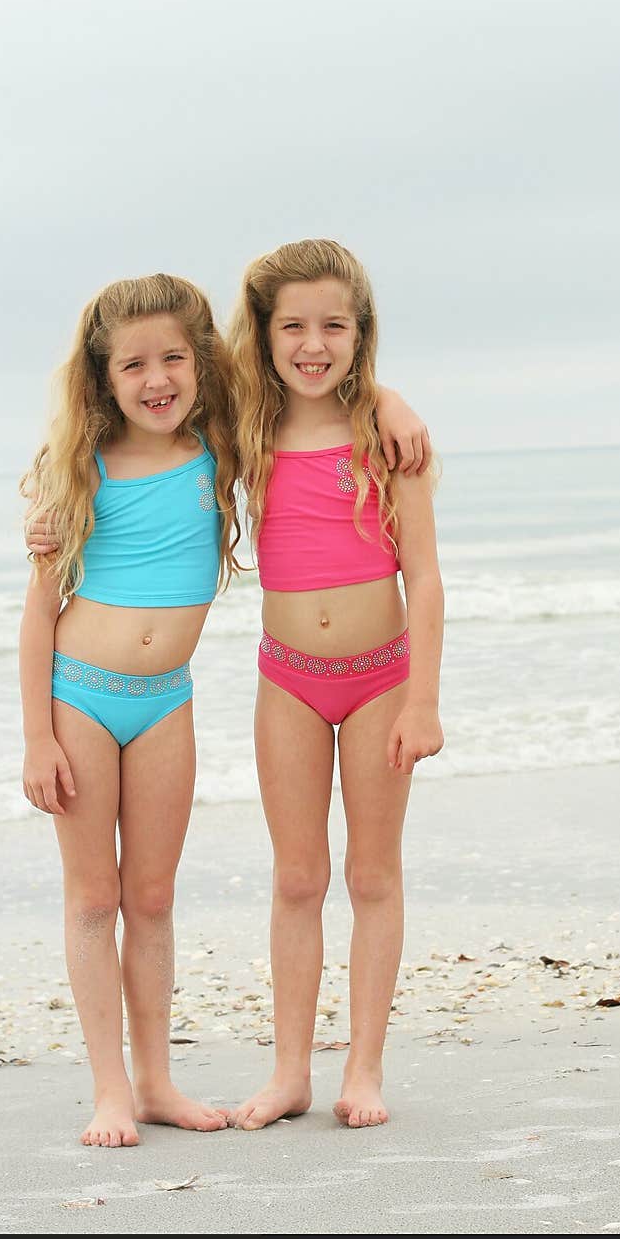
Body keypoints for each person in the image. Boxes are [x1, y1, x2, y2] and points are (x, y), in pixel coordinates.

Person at [21, 272, 431, 1147]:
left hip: (185, 698)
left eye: (175, 357)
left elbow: (319, 384)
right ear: (102, 376)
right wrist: (33, 737)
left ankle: (204, 1078)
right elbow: (39, 609)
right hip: (98, 697)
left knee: (177, 893)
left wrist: (390, 397)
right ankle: (127, 1088)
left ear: (203, 362)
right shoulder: (123, 457)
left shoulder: (227, 436)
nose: (158, 376)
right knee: (110, 896)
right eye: (133, 363)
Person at [227, 238, 444, 1130]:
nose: (313, 343)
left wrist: (424, 700)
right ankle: (289, 1074)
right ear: (264, 333)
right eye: (293, 326)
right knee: (295, 878)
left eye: (334, 326)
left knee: (372, 876)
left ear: (362, 334)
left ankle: (363, 1069)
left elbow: (425, 576)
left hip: (381, 681)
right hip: (288, 682)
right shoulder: (241, 424)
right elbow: (140, 414)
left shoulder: (390, 436)